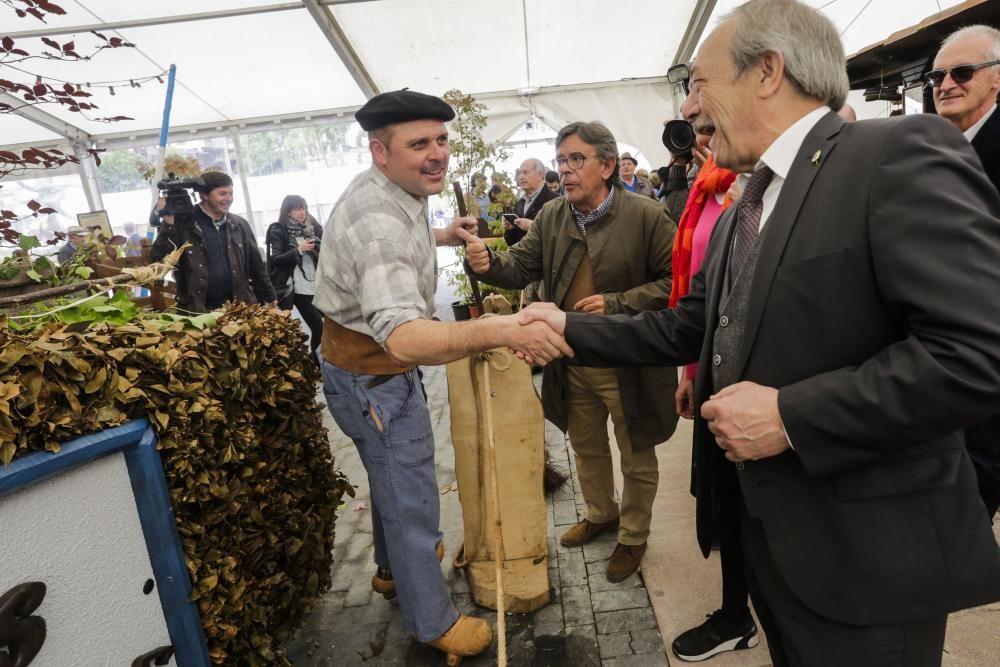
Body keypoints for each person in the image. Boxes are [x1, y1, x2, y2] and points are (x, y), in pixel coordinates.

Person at [519, 1, 1000, 664]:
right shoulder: (751, 193)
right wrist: (568, 326)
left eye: (698, 83)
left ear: (768, 72)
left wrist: (789, 414)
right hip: (775, 539)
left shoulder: (895, 153)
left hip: (867, 559)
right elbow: (692, 323)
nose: (688, 109)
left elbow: (978, 354)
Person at [312, 89, 572, 663]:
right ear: (380, 150)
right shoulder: (379, 224)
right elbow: (406, 337)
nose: (437, 155)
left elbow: (393, 240)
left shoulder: (388, 189)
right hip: (378, 377)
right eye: (418, 144)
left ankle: (388, 572)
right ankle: (432, 621)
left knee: (385, 478)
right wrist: (504, 330)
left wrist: (442, 235)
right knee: (412, 501)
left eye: (441, 140)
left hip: (353, 371)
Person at [464, 121, 678, 582]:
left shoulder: (646, 215)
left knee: (636, 453)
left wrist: (617, 304)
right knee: (586, 446)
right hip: (571, 357)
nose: (565, 170)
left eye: (575, 160)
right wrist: (485, 261)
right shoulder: (554, 216)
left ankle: (634, 536)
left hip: (628, 361)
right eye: (561, 160)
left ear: (606, 165)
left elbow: (675, 284)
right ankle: (602, 514)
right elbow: (520, 266)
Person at [666, 107, 755, 663]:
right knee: (728, 505)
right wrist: (691, 373)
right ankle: (736, 612)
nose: (703, 138)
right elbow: (698, 298)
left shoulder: (746, 194)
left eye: (710, 125)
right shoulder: (703, 193)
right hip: (715, 370)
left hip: (761, 384)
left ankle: (745, 611)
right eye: (696, 130)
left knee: (754, 507)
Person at [932, 24, 1000, 520]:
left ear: (997, 79)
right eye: (937, 75)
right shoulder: (949, 147)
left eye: (961, 72)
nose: (945, 83)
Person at [150, 170, 276, 313]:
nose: (228, 198)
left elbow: (257, 267)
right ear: (204, 195)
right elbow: (157, 260)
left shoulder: (239, 225)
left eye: (231, 193)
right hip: (199, 311)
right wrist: (168, 224)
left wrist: (271, 299)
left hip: (240, 309)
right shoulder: (181, 225)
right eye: (222, 193)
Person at [266, 195, 324, 356]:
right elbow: (275, 259)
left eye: (303, 208)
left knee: (330, 326)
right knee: (318, 327)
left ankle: (318, 361)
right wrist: (299, 250)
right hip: (297, 288)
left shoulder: (310, 229)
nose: (302, 212)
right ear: (288, 211)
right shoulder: (279, 230)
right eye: (297, 209)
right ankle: (316, 363)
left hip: (316, 285)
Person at [505, 157, 559, 247]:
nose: (521, 177)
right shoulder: (520, 203)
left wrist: (533, 227)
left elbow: (560, 236)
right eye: (519, 173)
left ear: (540, 175)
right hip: (520, 258)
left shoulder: (555, 201)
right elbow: (511, 242)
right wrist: (510, 229)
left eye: (525, 172)